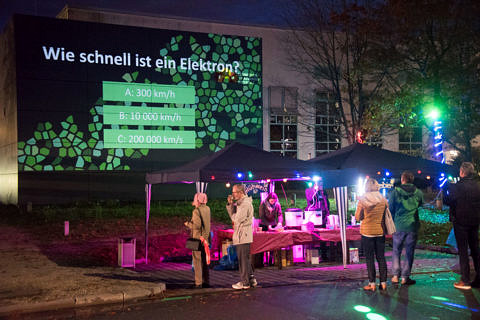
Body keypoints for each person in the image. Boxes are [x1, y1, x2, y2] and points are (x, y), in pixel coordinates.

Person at [444, 162, 480, 290]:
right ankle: (478, 278)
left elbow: (448, 202)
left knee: (463, 251)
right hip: (475, 221)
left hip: (460, 222)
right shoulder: (477, 186)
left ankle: (465, 280)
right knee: (476, 250)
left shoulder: (457, 187)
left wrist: (445, 189)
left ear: (462, 172)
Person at [388, 171, 424, 285]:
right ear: (412, 180)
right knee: (409, 252)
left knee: (396, 251)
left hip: (398, 225)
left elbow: (391, 208)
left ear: (402, 179)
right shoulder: (418, 193)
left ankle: (395, 276)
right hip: (412, 226)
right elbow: (421, 206)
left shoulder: (395, 192)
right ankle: (405, 277)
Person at [355, 178, 389, 291]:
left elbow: (357, 217)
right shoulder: (383, 199)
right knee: (381, 257)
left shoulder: (363, 199)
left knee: (369, 258)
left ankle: (372, 284)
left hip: (367, 232)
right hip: (380, 232)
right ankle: (383, 283)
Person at [226, 184, 257, 289]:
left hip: (242, 235)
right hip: (243, 234)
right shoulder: (242, 203)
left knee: (243, 260)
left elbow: (237, 219)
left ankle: (245, 282)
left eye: (234, 192)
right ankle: (251, 279)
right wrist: (231, 205)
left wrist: (232, 211)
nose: (233, 194)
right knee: (245, 259)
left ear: (240, 192)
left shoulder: (244, 204)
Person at [184, 192, 211, 289]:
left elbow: (196, 226)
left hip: (198, 238)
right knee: (204, 261)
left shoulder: (196, 211)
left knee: (197, 261)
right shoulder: (207, 209)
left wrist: (188, 224)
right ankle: (206, 281)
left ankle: (198, 282)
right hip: (206, 238)